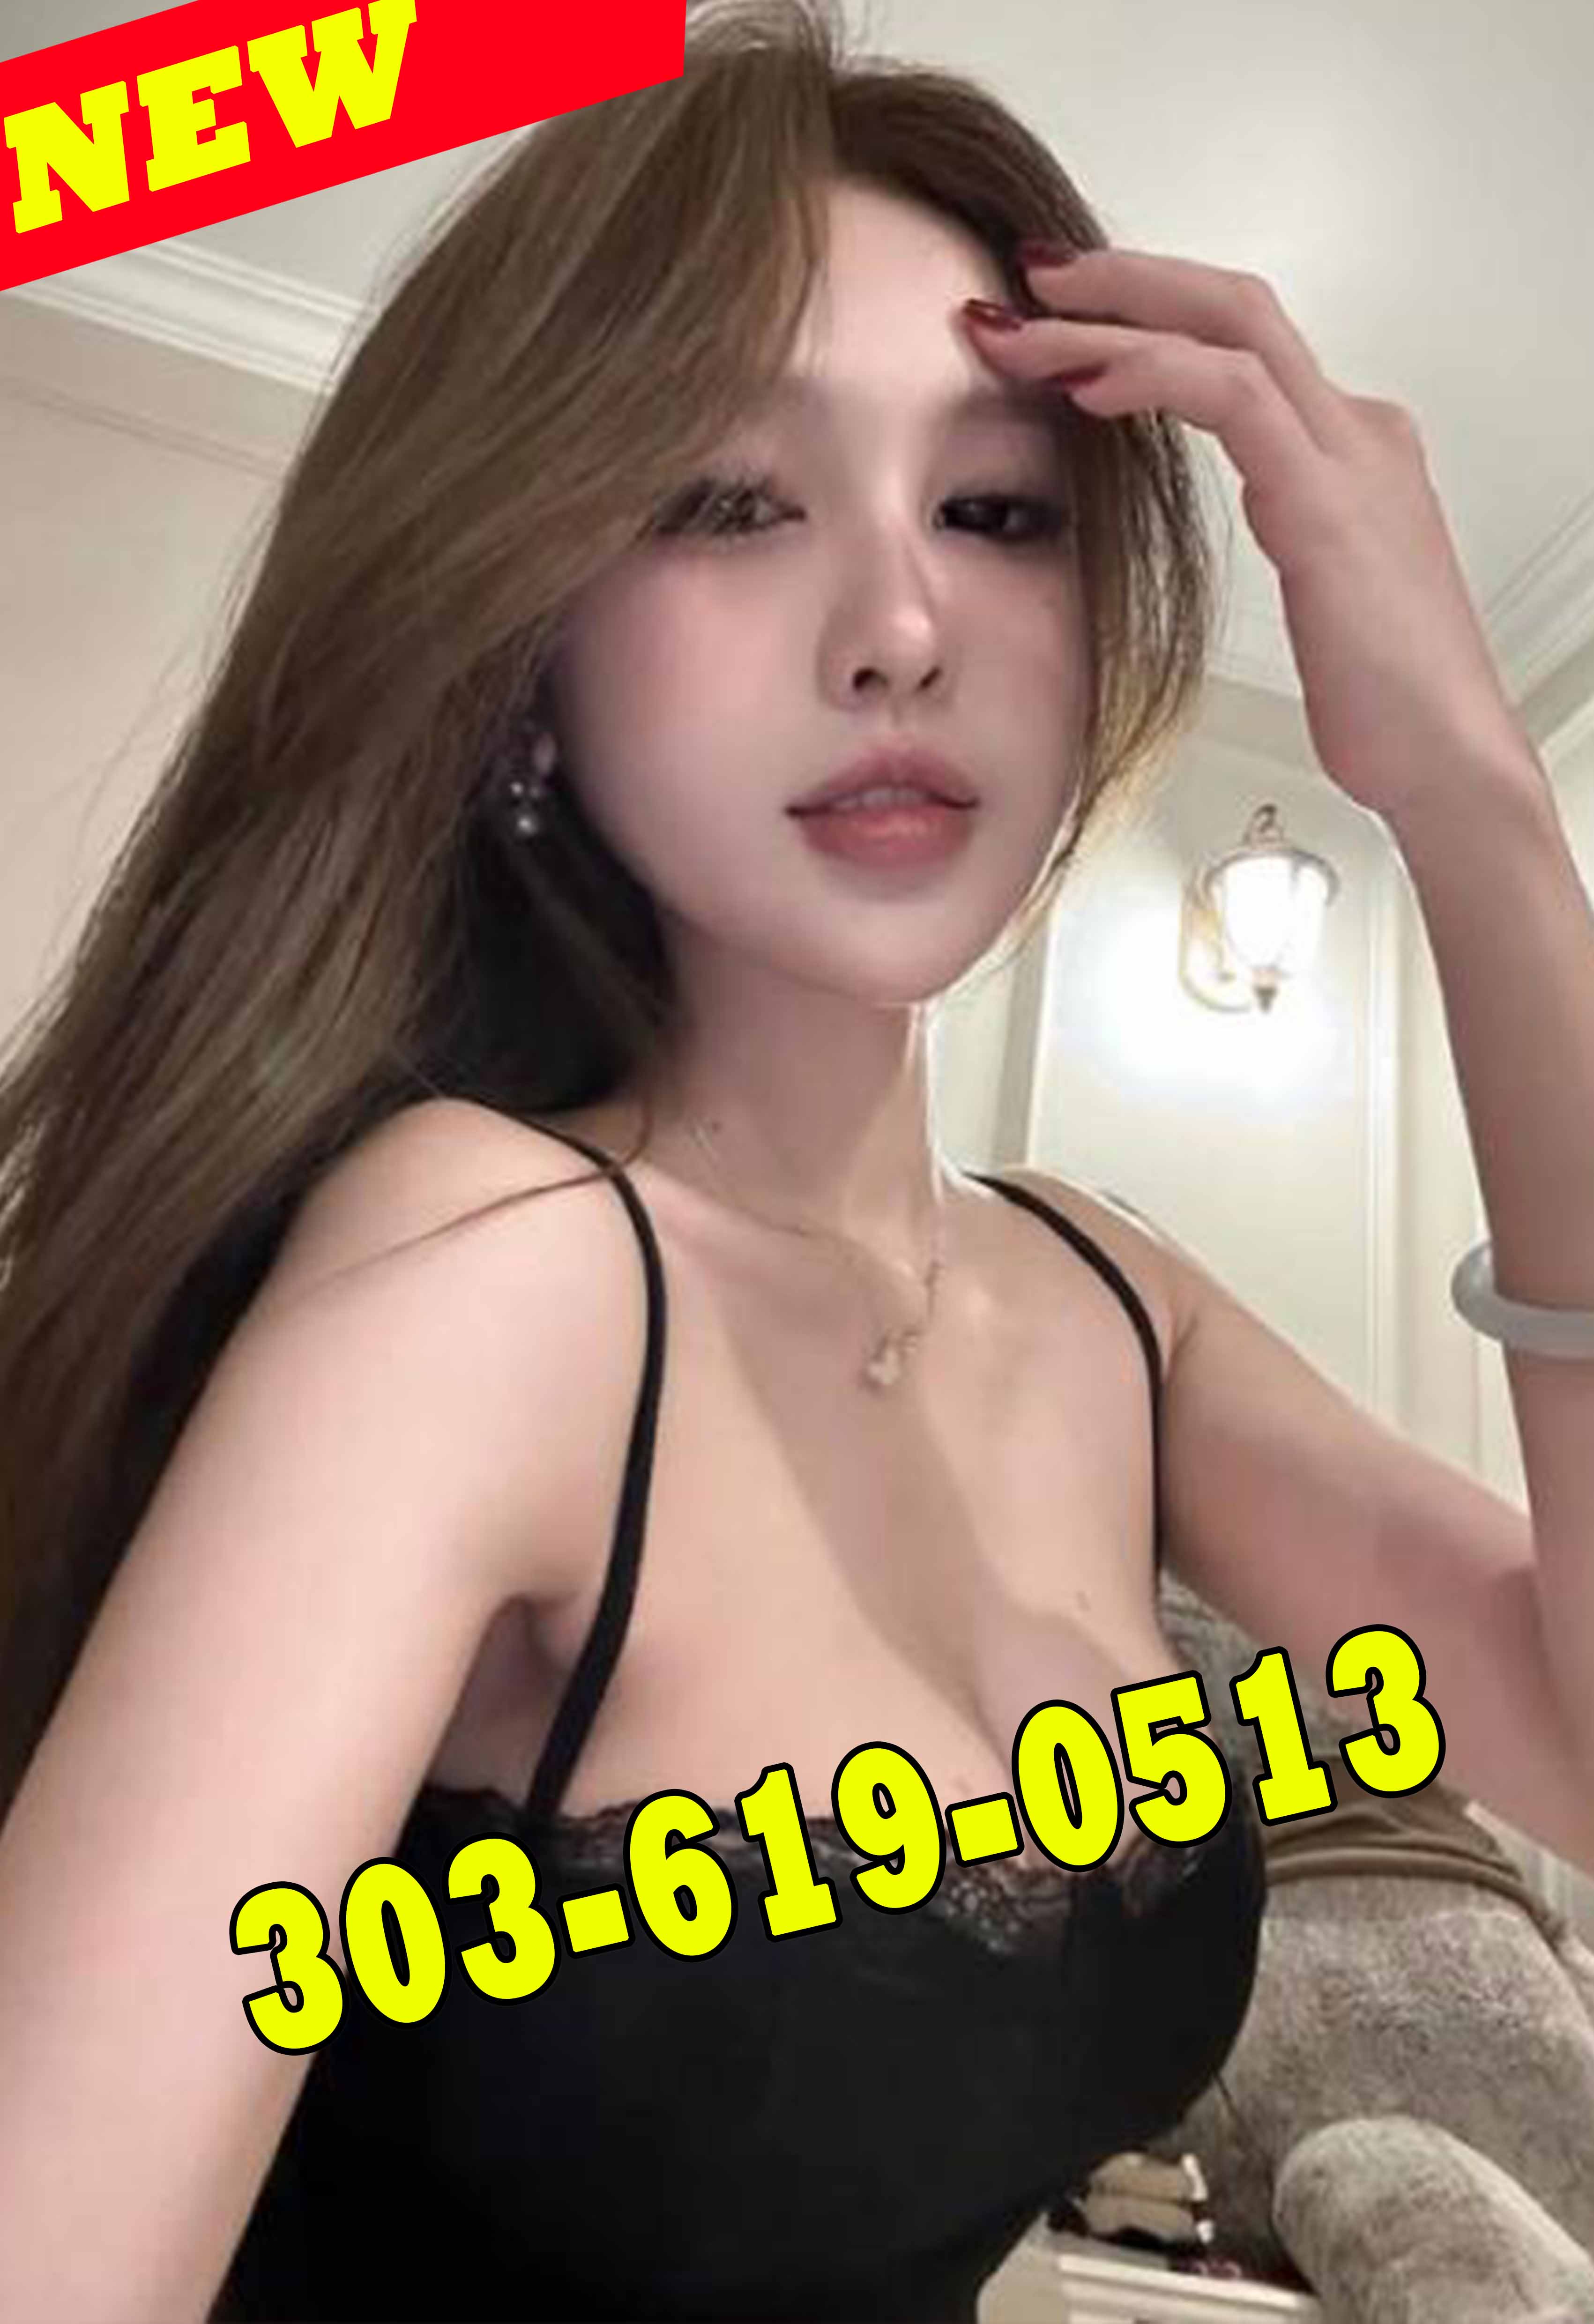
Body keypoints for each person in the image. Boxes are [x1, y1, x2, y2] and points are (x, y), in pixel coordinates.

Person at [0, 2, 1591, 2318]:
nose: (898, 627)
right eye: (728, 502)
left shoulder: (1102, 1299)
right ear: (530, 643)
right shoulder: (491, 1277)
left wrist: (1474, 801)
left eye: (994, 511)